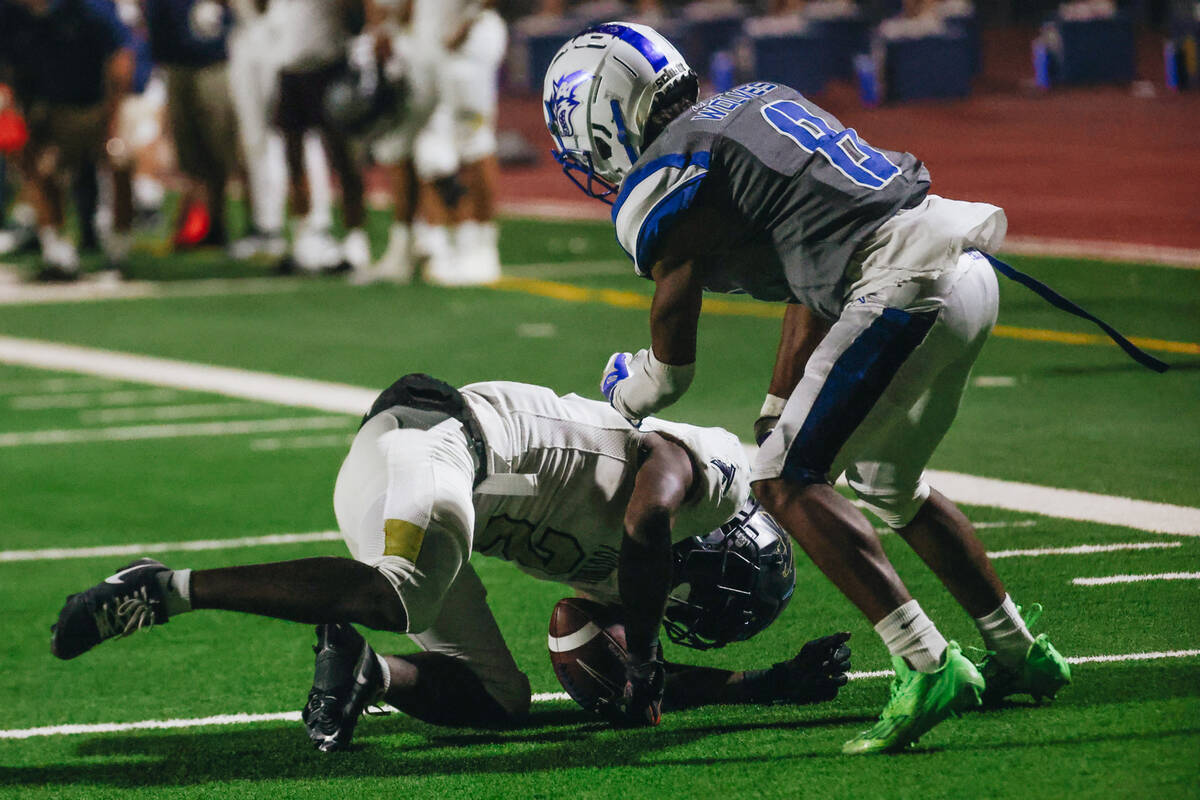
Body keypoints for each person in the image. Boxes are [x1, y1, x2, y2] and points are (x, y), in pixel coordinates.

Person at [541, 22, 1097, 755]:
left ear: (605, 117)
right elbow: (815, 277)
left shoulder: (669, 172)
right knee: (888, 482)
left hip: (902, 286)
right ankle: (1019, 651)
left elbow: (674, 357)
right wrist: (777, 404)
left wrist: (629, 391)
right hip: (961, 272)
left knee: (784, 482)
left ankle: (927, 662)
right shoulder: (751, 104)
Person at [51, 375, 852, 751]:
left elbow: (601, 669)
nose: (684, 612)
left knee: (498, 699)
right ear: (719, 557)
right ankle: (164, 590)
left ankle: (368, 672)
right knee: (404, 591)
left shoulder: (624, 588)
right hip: (439, 440)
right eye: (700, 602)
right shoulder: (715, 485)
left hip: (418, 496)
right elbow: (648, 514)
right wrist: (644, 654)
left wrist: (763, 684)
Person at [0, 0, 138, 280]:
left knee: (120, 159)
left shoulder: (87, 9)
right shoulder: (10, 13)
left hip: (97, 105)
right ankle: (56, 249)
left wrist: (112, 120)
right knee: (35, 164)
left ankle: (118, 250)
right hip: (44, 108)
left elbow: (121, 61)